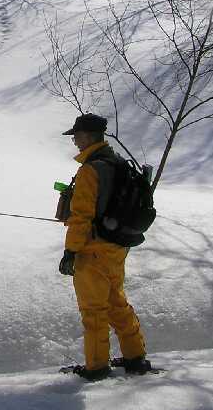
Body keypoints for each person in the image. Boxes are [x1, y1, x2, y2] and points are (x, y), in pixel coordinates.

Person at [58, 113, 150, 381]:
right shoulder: (118, 162)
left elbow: (81, 217)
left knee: (94, 311)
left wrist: (70, 252)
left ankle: (96, 367)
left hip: (93, 250)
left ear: (88, 136)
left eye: (76, 135)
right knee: (116, 303)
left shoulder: (90, 170)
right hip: (117, 246)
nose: (74, 140)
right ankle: (135, 357)